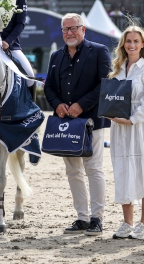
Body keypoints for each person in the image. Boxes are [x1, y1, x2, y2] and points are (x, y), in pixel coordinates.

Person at [43, 13, 111, 237]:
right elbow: (49, 87)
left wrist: (82, 105)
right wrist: (57, 104)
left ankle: (97, 218)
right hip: (66, 122)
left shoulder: (99, 51)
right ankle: (82, 218)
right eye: (65, 30)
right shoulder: (56, 56)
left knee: (93, 169)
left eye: (73, 28)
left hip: (92, 121)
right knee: (73, 171)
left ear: (83, 30)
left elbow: (105, 85)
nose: (69, 33)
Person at [108, 24, 144, 240]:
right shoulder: (118, 69)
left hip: (139, 127)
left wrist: (131, 120)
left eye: (136, 41)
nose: (132, 45)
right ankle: (127, 223)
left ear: (143, 45)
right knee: (123, 170)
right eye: (128, 41)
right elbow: (111, 98)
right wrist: (110, 113)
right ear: (123, 44)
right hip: (118, 129)